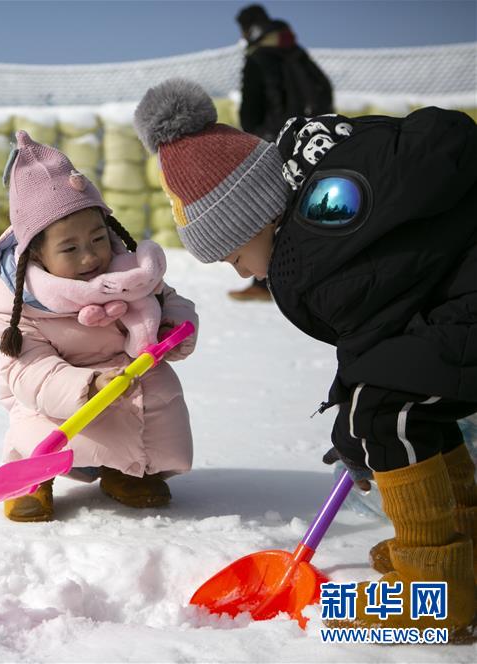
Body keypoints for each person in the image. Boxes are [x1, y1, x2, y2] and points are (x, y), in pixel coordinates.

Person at [134, 77, 476, 635]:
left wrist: (355, 424)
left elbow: (375, 347)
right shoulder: (334, 199)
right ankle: (460, 554)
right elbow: (385, 330)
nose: (243, 273)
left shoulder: (314, 254)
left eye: (235, 256)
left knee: (385, 415)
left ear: (255, 216)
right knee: (404, 404)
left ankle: (436, 590)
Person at [0, 130, 198, 522]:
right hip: (62, 394)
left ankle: (127, 471)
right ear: (37, 254)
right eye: (70, 248)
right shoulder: (22, 304)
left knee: (156, 396)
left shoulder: (129, 273)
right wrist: (89, 387)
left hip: (127, 384)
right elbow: (28, 371)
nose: (89, 257)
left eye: (98, 239)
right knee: (38, 420)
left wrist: (171, 324)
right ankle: (32, 478)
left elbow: (169, 299)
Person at [229, 4, 334, 302]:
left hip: (274, 143)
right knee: (311, 206)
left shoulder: (259, 57)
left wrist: (253, 136)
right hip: (312, 140)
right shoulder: (295, 52)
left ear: (249, 29)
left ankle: (267, 283)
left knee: (269, 213)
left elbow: (251, 108)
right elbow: (324, 90)